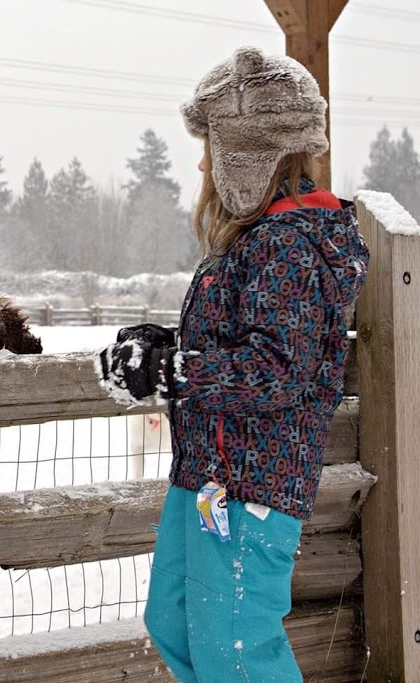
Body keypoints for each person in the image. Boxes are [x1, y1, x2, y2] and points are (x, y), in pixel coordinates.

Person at [96, 47, 369, 682]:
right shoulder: (253, 240)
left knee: (237, 655)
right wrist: (158, 346)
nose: (200, 161)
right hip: (205, 479)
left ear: (249, 154)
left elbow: (276, 370)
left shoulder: (288, 246)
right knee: (173, 625)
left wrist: (172, 371)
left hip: (251, 490)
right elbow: (234, 342)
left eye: (212, 144)